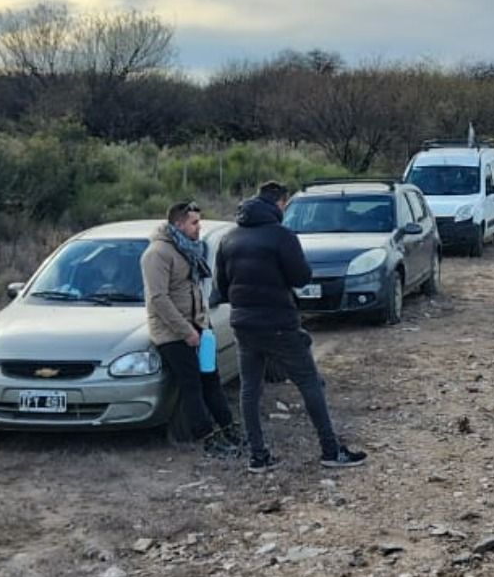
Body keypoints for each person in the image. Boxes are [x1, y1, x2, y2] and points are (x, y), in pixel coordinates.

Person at [215, 181, 367, 473]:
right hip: (279, 323)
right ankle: (330, 450)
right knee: (310, 383)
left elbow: (222, 287)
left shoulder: (229, 238)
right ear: (280, 203)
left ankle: (258, 456)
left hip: (243, 324)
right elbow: (301, 277)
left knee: (250, 389)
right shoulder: (282, 236)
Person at [141, 201, 240, 458]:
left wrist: (201, 326)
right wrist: (186, 331)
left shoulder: (188, 249)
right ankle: (206, 437)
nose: (199, 227)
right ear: (178, 224)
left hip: (199, 328)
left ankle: (229, 428)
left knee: (211, 380)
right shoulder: (157, 254)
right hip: (173, 334)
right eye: (194, 223)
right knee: (191, 385)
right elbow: (158, 298)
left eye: (199, 221)